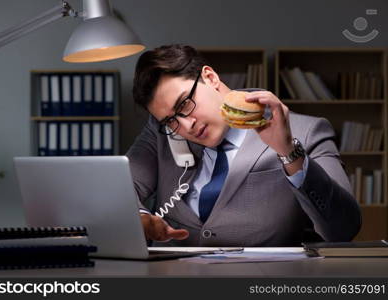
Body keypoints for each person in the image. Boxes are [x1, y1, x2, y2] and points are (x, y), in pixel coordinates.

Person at [126, 44, 361, 247]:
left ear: (210, 78)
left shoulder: (306, 132)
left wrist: (289, 153)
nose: (186, 125)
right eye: (170, 120)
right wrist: (141, 216)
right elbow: (120, 187)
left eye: (185, 104)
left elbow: (343, 229)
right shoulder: (161, 132)